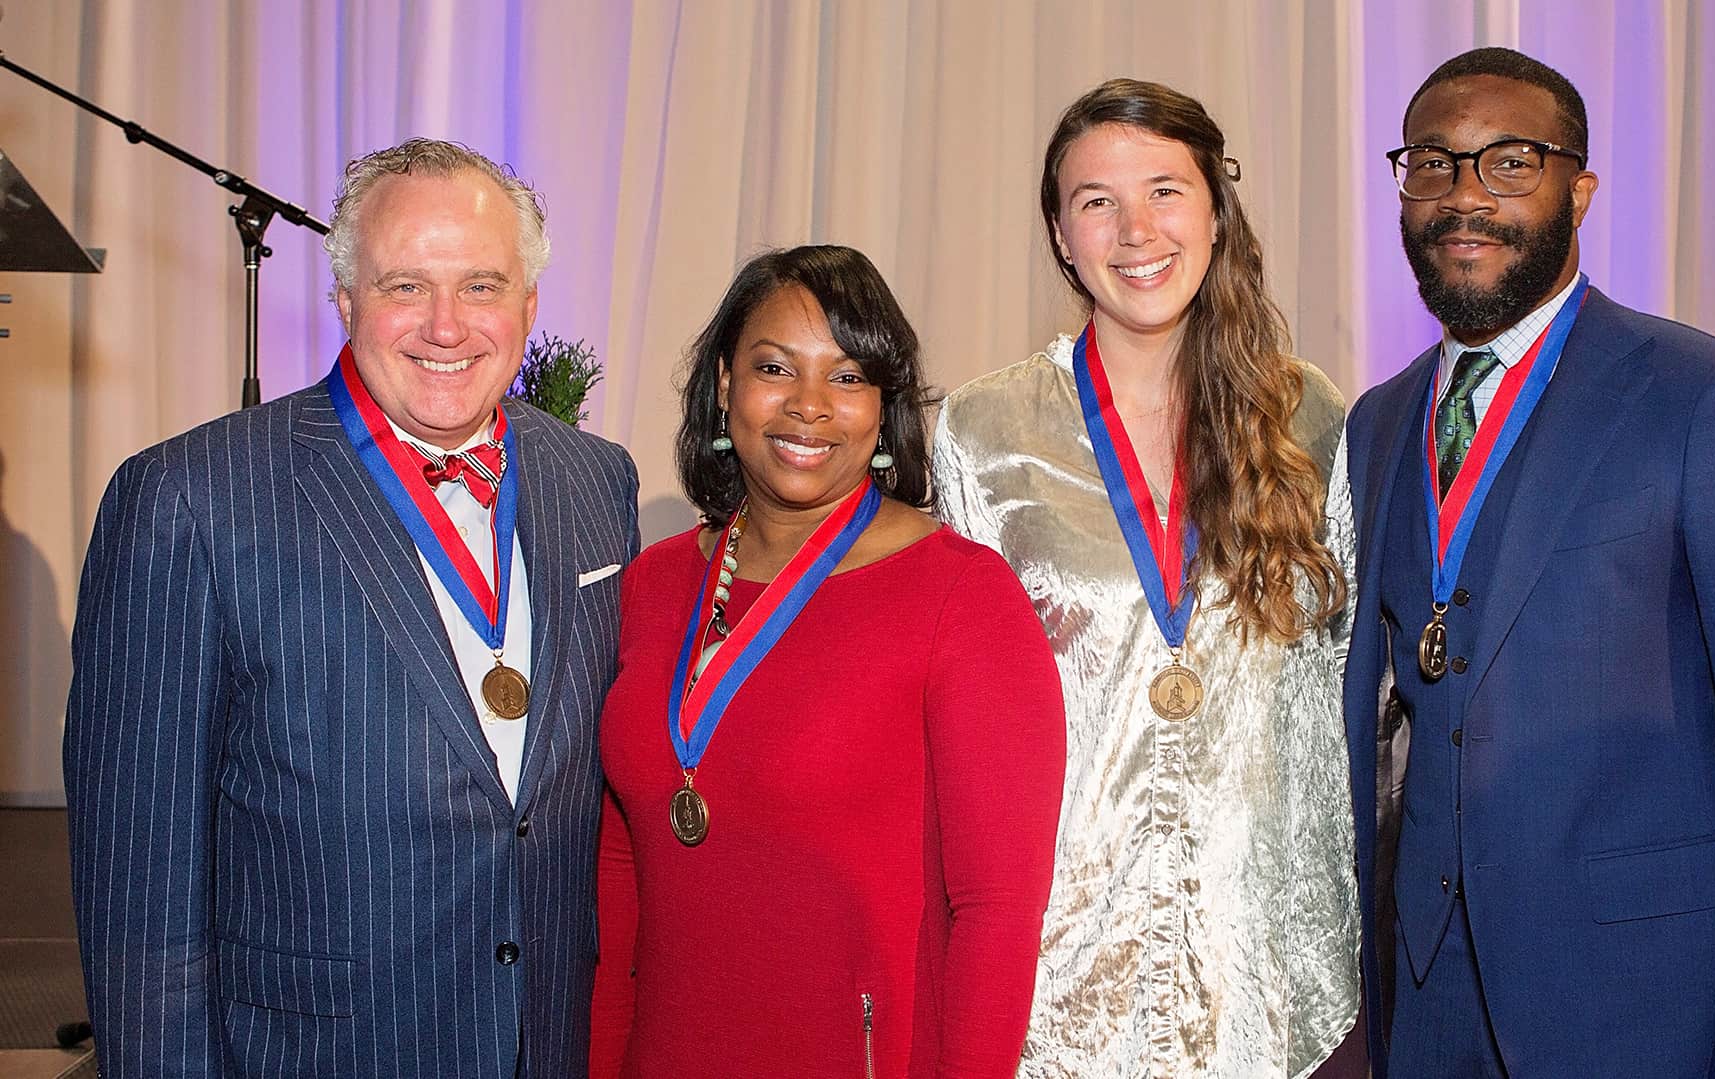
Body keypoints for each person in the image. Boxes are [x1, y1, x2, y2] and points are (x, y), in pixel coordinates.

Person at [64, 138, 640, 1077]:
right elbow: (140, 899)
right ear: (344, 303)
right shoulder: (190, 498)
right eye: (406, 285)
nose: (446, 326)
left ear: (530, 307)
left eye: (483, 286)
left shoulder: (594, 479)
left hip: (547, 1042)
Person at [1343, 47, 1715, 1077]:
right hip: (1423, 1015)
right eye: (1434, 164)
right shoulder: (1378, 421)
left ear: (1578, 190)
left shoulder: (1711, 398)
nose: (1464, 196)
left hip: (1644, 1014)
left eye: (1509, 163)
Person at [933, 80, 1360, 1077]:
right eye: (1097, 202)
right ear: (1060, 233)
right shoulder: (984, 430)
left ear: (1216, 207)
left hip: (1281, 982)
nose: (1137, 230)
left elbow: (1348, 679)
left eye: (1165, 190)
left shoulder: (1315, 421)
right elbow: (957, 722)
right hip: (1067, 985)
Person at [590, 244, 1066, 1078]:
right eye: (775, 366)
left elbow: (997, 914)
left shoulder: (962, 597)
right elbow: (622, 865)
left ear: (883, 410)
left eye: (847, 377)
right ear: (724, 387)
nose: (809, 405)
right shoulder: (655, 583)